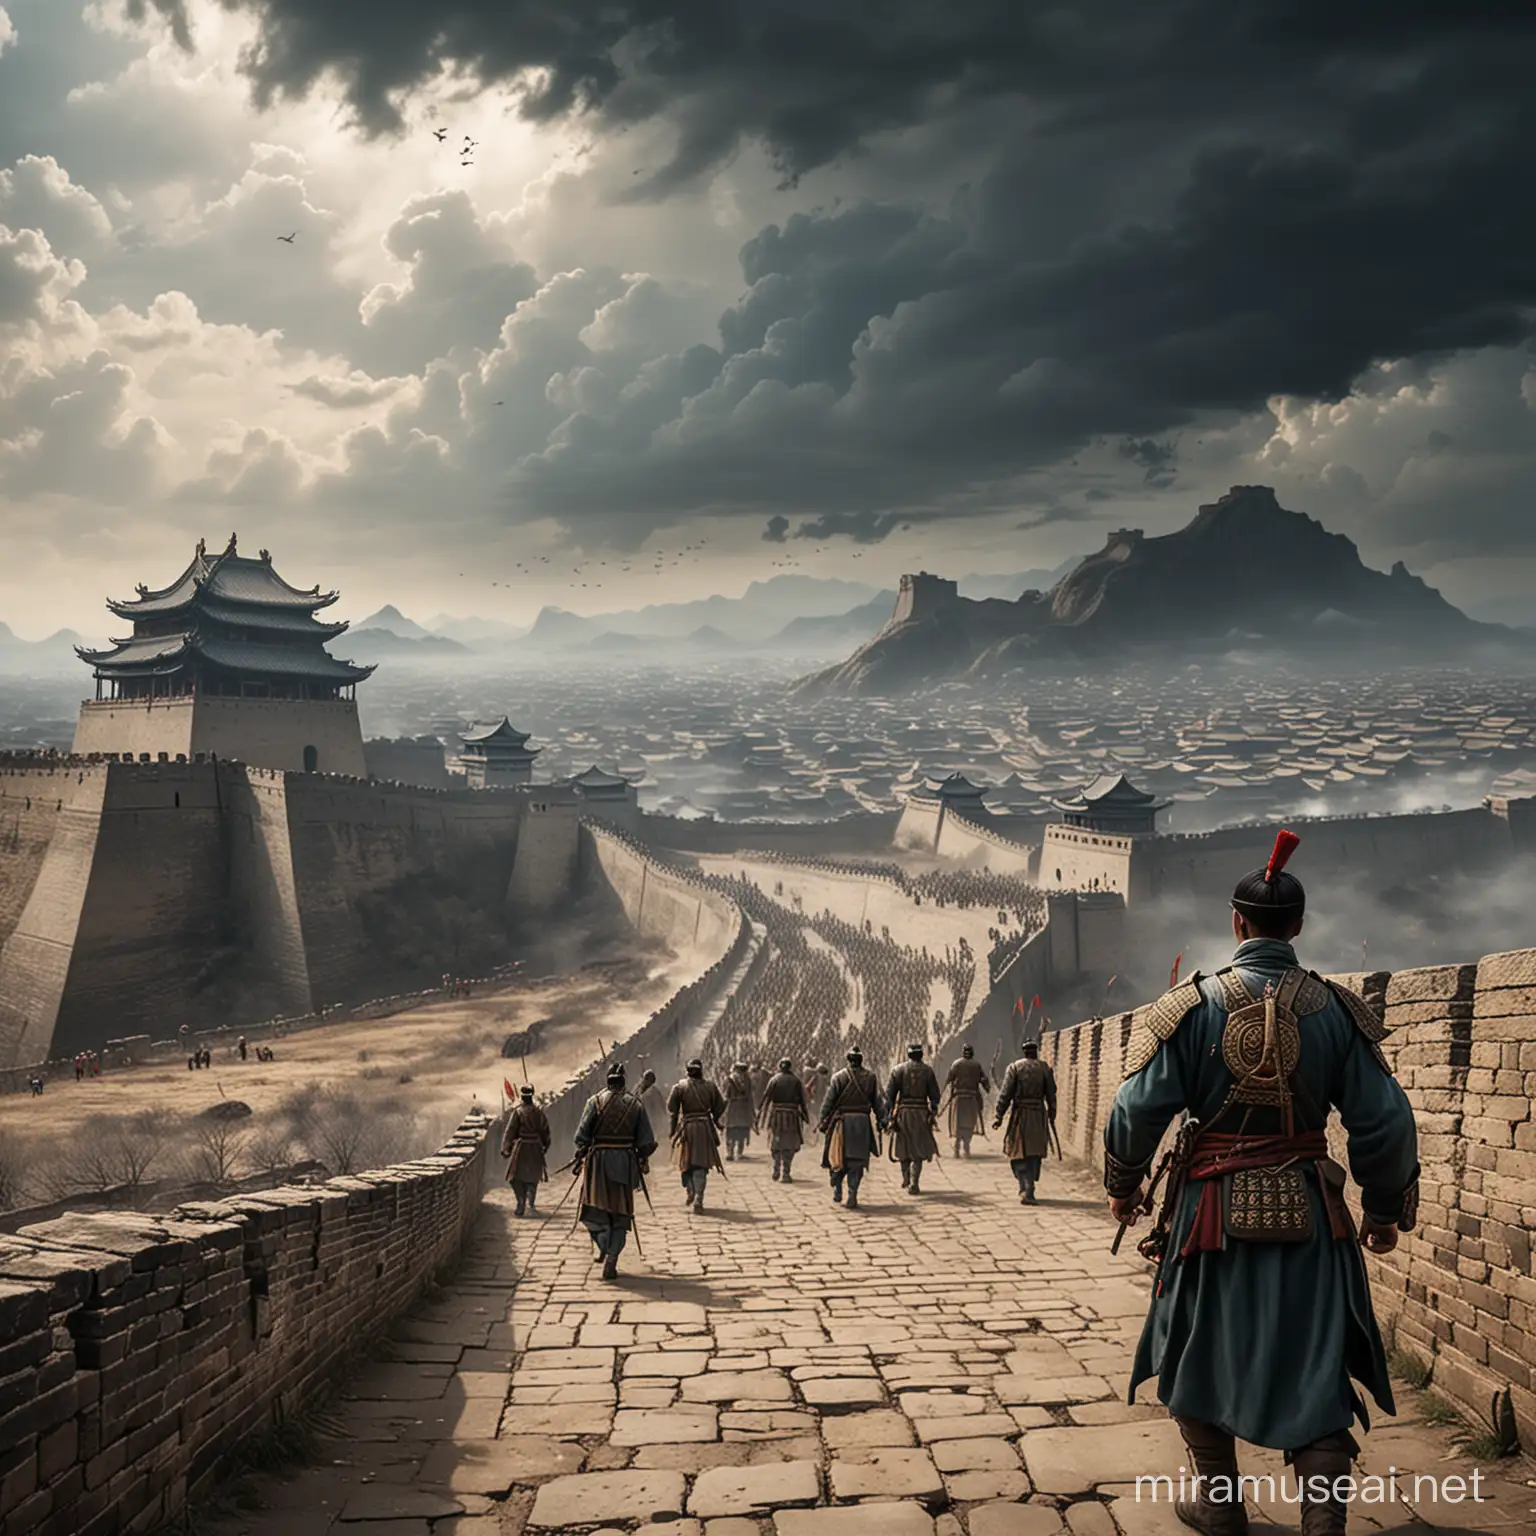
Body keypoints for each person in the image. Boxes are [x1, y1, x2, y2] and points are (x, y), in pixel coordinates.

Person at [1103, 831, 1419, 1536]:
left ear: (1236, 922)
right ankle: (1322, 1520)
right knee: (1317, 1357)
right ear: (1299, 927)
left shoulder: (1190, 1008)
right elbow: (1386, 1122)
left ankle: (1218, 1504)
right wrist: (1385, 1209)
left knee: (1192, 1340)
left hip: (1210, 1210)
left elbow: (1134, 1109)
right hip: (1313, 1209)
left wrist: (1125, 1185)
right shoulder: (1338, 1011)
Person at [572, 1062, 657, 1281]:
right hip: (625, 1164)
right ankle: (611, 1258)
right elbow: (646, 1141)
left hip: (598, 1164)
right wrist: (642, 1158)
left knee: (593, 1211)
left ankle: (603, 1242)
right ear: (624, 1080)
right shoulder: (635, 1104)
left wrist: (582, 1151)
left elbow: (581, 1136)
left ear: (608, 1080)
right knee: (620, 1215)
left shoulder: (595, 1102)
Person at [818, 1047, 886, 1210]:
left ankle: (837, 1186)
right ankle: (852, 1193)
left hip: (842, 1124)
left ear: (848, 1060)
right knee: (856, 1162)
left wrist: (823, 1120)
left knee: (837, 1157)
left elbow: (828, 1102)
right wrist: (882, 1119)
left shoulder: (838, 1077)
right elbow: (877, 1103)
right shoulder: (870, 1078)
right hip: (862, 1124)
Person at [994, 1039, 1056, 1203]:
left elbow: (1005, 1094)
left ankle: (1026, 1188)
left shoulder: (1014, 1067)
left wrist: (999, 1115)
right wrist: (1052, 1113)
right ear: (1035, 1051)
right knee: (1033, 1153)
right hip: (1037, 1115)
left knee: (1018, 1152)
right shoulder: (1044, 1068)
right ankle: (1028, 1187)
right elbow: (1051, 1094)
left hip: (1020, 1115)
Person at [668, 1059, 726, 1212]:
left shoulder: (680, 1087)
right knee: (701, 1165)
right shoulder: (710, 1087)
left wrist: (672, 1131)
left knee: (686, 1163)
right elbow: (720, 1106)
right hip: (704, 1129)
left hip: (687, 1129)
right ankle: (698, 1197)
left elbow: (672, 1111)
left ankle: (691, 1190)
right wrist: (716, 1120)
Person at [886, 1042, 941, 1194]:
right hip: (921, 1115)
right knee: (917, 1151)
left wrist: (890, 1115)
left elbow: (889, 1096)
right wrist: (933, 1111)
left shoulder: (898, 1070)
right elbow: (935, 1095)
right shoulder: (928, 1071)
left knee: (904, 1149)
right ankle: (914, 1182)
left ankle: (907, 1178)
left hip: (903, 1115)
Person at [501, 1084, 551, 1217]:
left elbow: (510, 1131)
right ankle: (528, 1198)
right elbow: (545, 1132)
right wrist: (545, 1146)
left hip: (521, 1148)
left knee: (515, 1177)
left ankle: (521, 1200)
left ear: (522, 1097)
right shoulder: (539, 1112)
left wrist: (506, 1148)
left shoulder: (517, 1112)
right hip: (535, 1148)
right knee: (532, 1177)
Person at [757, 1058, 810, 1181]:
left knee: (776, 1143)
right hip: (791, 1117)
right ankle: (785, 1173)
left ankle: (776, 1168)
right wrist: (805, 1116)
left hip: (777, 1116)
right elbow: (803, 1101)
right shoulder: (796, 1080)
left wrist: (760, 1114)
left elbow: (766, 1097)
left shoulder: (774, 1079)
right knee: (789, 1145)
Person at [945, 1044, 991, 1157]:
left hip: (959, 1098)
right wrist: (987, 1086)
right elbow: (984, 1081)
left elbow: (949, 1079)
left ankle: (957, 1147)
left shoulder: (956, 1064)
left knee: (959, 1122)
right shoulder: (976, 1065)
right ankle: (965, 1146)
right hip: (972, 1099)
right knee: (969, 1122)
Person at [723, 1061, 754, 1160]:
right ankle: (740, 1153)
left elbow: (726, 1095)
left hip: (732, 1107)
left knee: (731, 1130)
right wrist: (752, 1111)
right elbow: (750, 1096)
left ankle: (730, 1152)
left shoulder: (729, 1079)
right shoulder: (748, 1079)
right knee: (742, 1130)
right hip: (744, 1107)